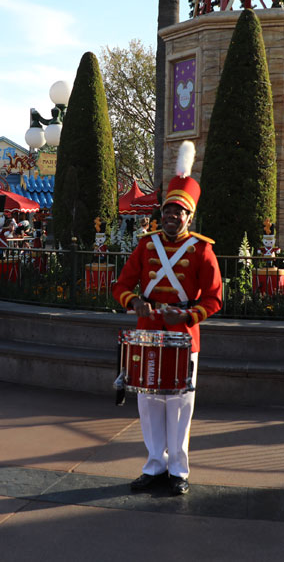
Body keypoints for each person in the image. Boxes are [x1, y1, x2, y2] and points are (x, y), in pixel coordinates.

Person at [111, 141, 222, 497]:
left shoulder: (203, 250)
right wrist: (135, 303)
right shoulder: (146, 246)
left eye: (179, 212)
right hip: (148, 333)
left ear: (190, 216)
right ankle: (153, 465)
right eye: (169, 211)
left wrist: (188, 314)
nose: (173, 217)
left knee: (179, 404)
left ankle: (178, 469)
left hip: (182, 334)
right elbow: (122, 286)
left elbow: (215, 298)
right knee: (148, 401)